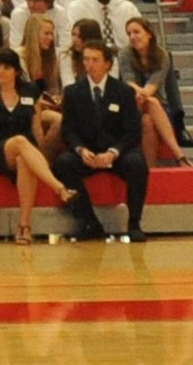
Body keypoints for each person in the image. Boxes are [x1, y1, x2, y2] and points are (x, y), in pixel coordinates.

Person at [53, 40, 151, 242]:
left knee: (137, 164)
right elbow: (68, 130)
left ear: (108, 63)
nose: (90, 64)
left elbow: (132, 132)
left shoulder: (123, 92)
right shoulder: (72, 92)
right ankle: (89, 221)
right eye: (86, 59)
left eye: (95, 60)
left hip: (116, 153)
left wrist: (113, 152)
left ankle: (134, 223)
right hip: (87, 153)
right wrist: (81, 150)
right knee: (63, 164)